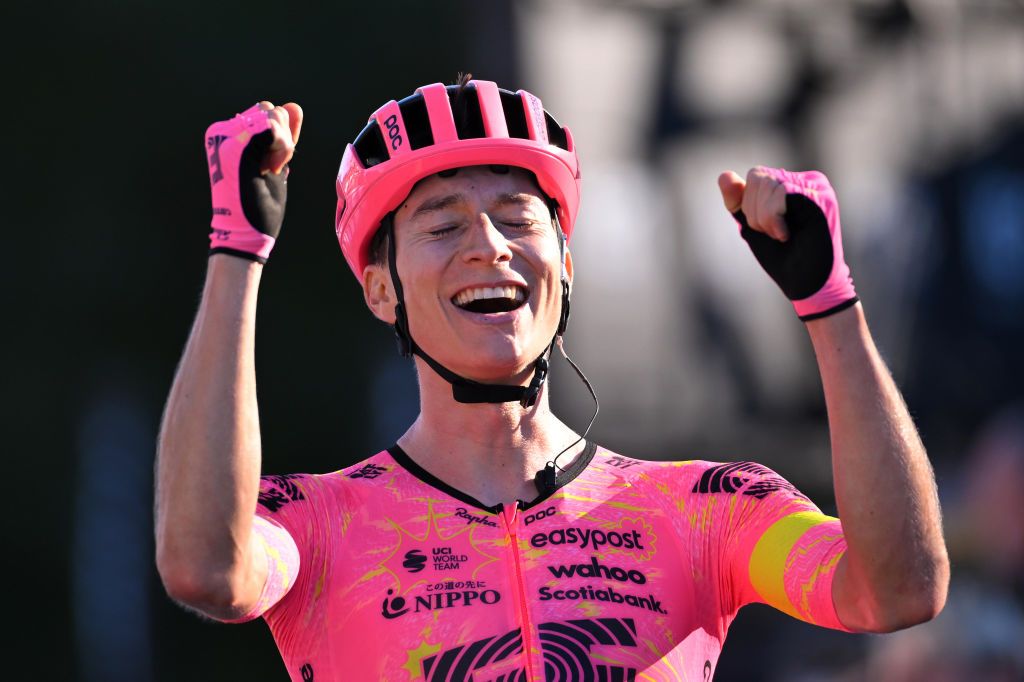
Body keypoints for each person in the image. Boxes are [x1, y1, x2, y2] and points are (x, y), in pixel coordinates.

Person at [155, 76, 949, 682]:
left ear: (565, 267)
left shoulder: (708, 510)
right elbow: (204, 567)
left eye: (518, 217)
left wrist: (830, 301)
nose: (490, 246)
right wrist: (237, 250)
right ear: (381, 289)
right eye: (442, 223)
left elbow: (897, 590)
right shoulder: (311, 523)